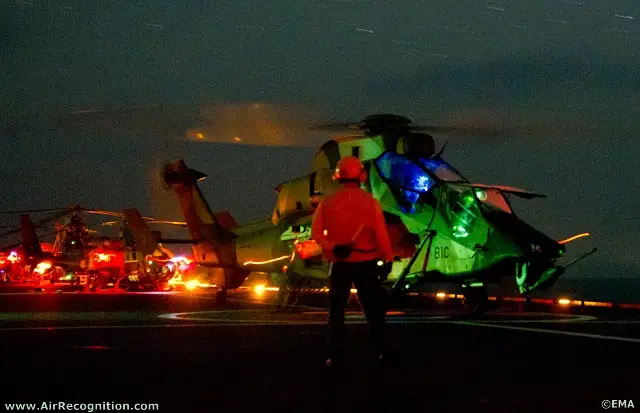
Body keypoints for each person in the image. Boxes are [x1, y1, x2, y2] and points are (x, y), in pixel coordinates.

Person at [311, 156, 394, 368]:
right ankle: (383, 352)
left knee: (336, 313)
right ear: (361, 175)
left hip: (340, 264)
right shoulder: (370, 202)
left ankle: (334, 355)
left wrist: (332, 247)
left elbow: (316, 233)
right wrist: (388, 258)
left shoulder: (327, 202)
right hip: (365, 262)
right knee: (373, 312)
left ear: (338, 176)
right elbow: (381, 235)